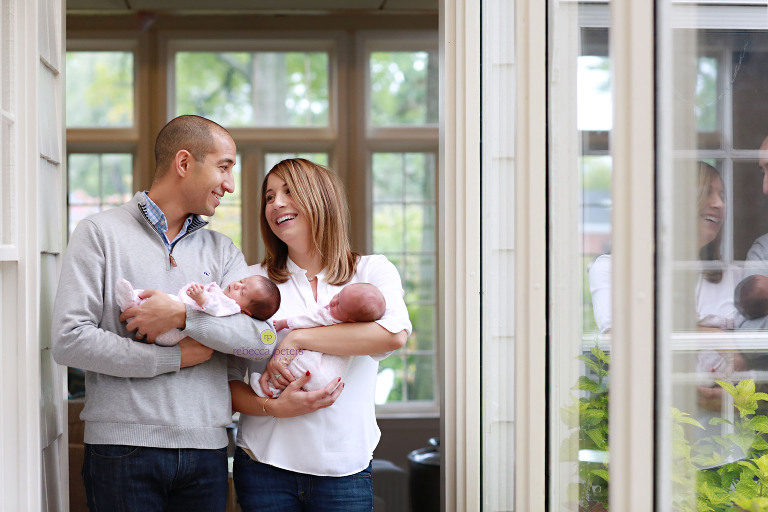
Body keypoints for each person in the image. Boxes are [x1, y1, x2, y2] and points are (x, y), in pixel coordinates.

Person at [51, 115, 276, 512]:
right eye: (224, 167)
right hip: (121, 451)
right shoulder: (99, 233)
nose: (230, 184)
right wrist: (172, 358)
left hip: (206, 452)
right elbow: (70, 340)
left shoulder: (223, 251)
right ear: (184, 163)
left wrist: (184, 317)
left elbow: (263, 342)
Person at [228, 158, 411, 511]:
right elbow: (226, 379)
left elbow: (392, 336)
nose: (276, 203)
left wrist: (297, 339)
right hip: (264, 467)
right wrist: (275, 408)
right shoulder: (250, 282)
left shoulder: (371, 271)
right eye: (269, 196)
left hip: (345, 472)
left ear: (321, 198)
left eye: (289, 191)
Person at [252, 283, 386, 397]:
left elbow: (308, 320)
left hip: (315, 374)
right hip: (329, 381)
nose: (333, 301)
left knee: (296, 364)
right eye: (338, 295)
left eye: (339, 306)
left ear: (351, 320)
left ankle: (270, 388)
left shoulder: (329, 318)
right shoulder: (356, 332)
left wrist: (285, 323)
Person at [115, 275, 281, 346]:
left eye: (243, 292)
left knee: (166, 301)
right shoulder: (225, 294)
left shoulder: (231, 307)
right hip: (174, 323)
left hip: (175, 333)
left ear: (245, 312)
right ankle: (133, 300)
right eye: (242, 281)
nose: (237, 285)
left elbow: (214, 309)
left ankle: (131, 304)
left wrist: (201, 298)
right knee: (159, 299)